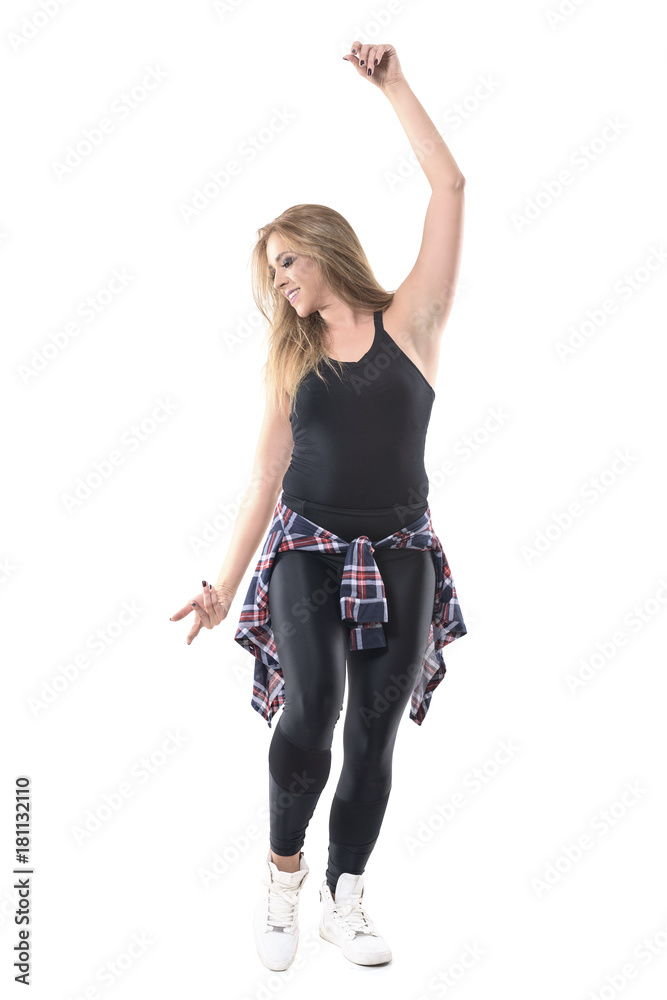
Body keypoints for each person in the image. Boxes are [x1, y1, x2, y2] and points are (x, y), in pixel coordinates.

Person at [170, 41, 467, 972]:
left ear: (326, 248)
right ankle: (282, 880)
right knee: (314, 707)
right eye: (273, 271)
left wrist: (394, 86)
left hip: (402, 551)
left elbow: (449, 189)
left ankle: (346, 897)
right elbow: (265, 478)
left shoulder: (410, 322)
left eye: (288, 261)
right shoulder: (289, 358)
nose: (282, 283)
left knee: (375, 728)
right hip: (305, 547)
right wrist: (222, 584)